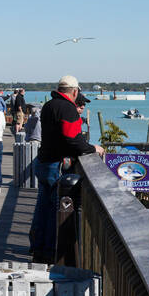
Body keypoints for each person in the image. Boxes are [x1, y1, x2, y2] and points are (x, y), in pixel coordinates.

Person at [31, 75, 105, 262]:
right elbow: (73, 140)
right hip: (56, 164)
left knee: (43, 207)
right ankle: (49, 253)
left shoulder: (49, 105)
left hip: (43, 161)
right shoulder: (67, 109)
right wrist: (92, 149)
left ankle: (37, 248)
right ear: (75, 91)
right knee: (56, 210)